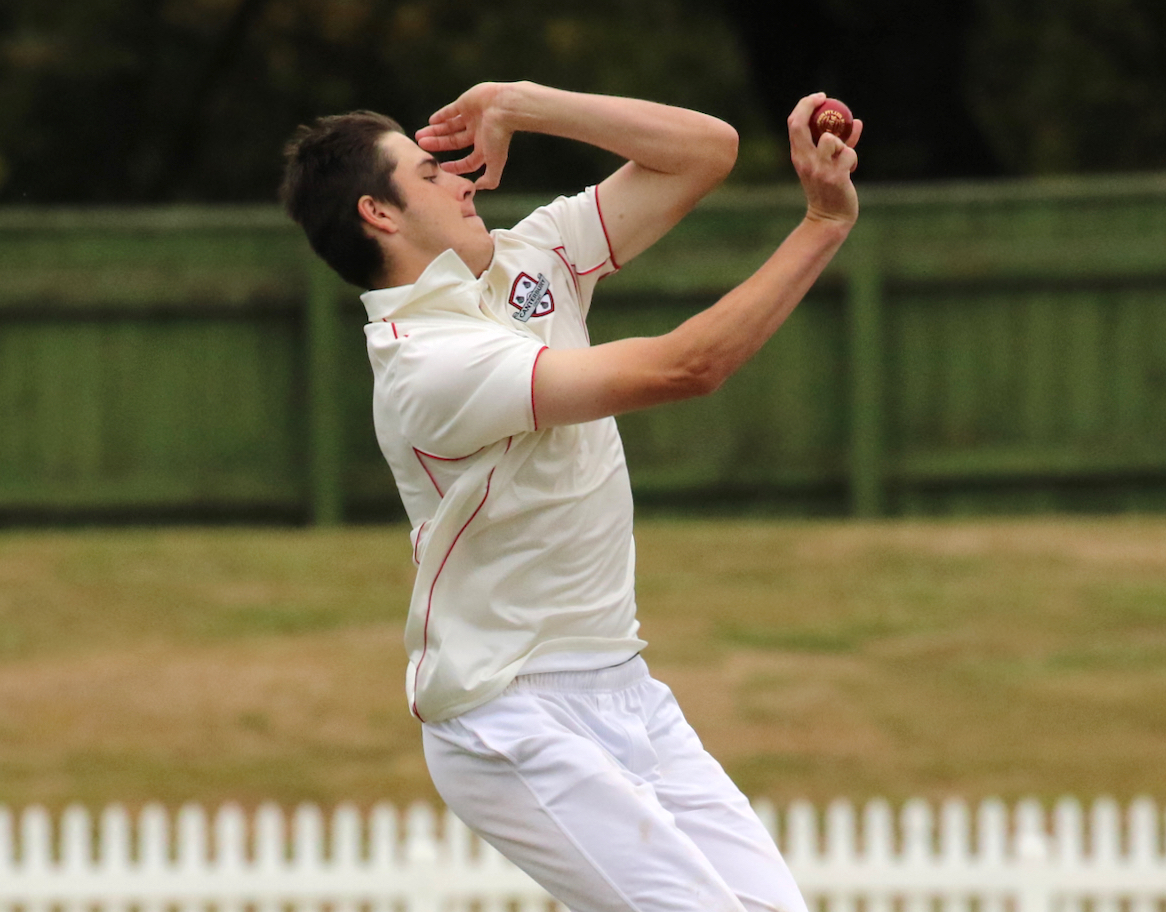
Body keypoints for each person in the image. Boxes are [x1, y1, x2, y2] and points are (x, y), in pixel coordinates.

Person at [280, 81, 860, 912]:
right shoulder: (425, 367)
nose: (462, 179)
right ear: (379, 214)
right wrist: (822, 226)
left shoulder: (529, 258)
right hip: (505, 713)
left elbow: (706, 152)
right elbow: (687, 368)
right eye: (430, 174)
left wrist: (521, 102)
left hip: (625, 685)